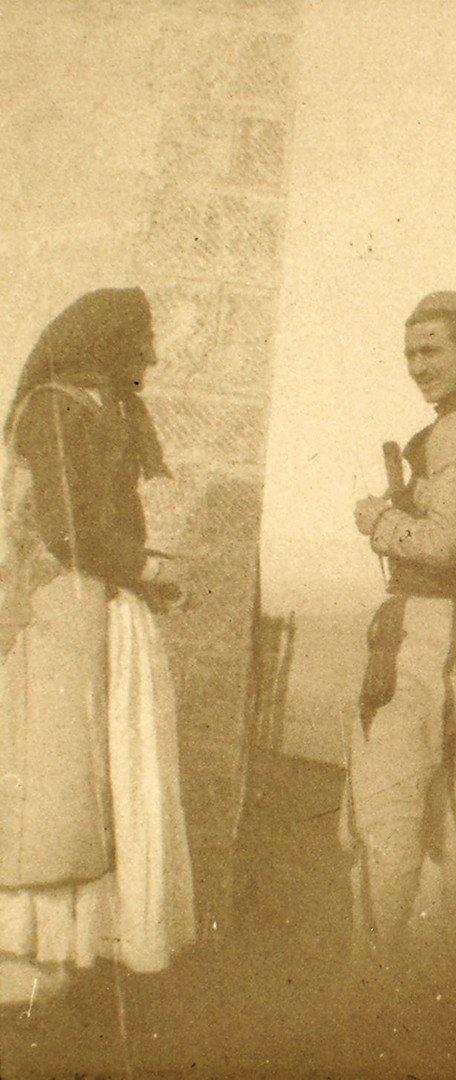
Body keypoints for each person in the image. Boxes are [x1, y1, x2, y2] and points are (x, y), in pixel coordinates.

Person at [0, 288, 195, 1006]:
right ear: (104, 342)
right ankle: (21, 956)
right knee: (50, 779)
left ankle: (66, 954)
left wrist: (140, 573)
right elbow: (66, 530)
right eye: (140, 340)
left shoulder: (96, 409)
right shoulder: (55, 410)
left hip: (89, 609)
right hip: (51, 614)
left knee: (90, 779)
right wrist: (143, 570)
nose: (151, 356)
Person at [346, 291, 456, 952]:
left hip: (425, 638)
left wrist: (380, 521)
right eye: (409, 354)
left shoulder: (454, 428)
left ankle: (368, 989)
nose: (418, 366)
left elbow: (446, 543)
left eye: (432, 350)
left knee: (384, 823)